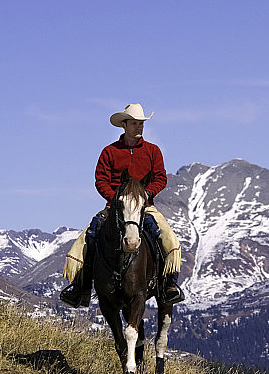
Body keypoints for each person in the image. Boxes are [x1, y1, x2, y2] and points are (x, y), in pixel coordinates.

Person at [60, 103, 184, 308]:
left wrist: (145, 194)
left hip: (144, 206)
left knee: (167, 237)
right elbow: (100, 180)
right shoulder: (109, 152)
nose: (139, 127)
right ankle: (81, 288)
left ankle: (169, 285)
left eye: (141, 124)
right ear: (124, 125)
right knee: (89, 236)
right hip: (114, 207)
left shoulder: (153, 151)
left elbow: (161, 178)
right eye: (134, 123)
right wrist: (117, 200)